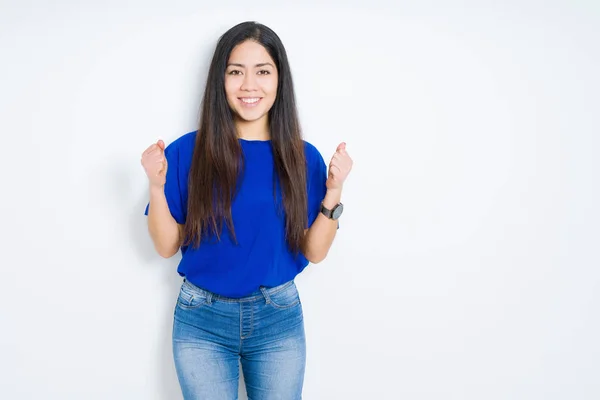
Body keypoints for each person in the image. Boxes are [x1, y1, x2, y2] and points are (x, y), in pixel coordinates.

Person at [141, 21, 353, 400]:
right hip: (200, 319)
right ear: (220, 80)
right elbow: (166, 245)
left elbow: (314, 252)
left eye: (263, 72)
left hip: (278, 319)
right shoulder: (188, 151)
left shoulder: (303, 158)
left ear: (279, 79)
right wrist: (156, 186)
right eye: (236, 72)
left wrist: (333, 192)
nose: (249, 85)